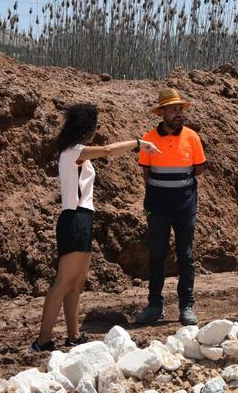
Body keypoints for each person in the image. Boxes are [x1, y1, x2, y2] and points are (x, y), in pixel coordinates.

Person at [30, 103, 160, 352]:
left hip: (82, 218)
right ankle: (42, 341)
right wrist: (138, 143)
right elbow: (109, 150)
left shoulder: (73, 151)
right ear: (86, 128)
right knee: (63, 282)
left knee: (76, 283)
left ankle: (73, 335)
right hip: (75, 218)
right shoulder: (74, 151)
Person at [135, 88, 207, 326]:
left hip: (185, 205)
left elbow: (199, 168)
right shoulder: (148, 139)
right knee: (156, 255)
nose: (179, 113)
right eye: (174, 109)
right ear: (162, 112)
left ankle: (186, 305)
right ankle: (155, 305)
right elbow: (146, 172)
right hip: (156, 206)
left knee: (185, 256)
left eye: (180, 109)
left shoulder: (192, 138)